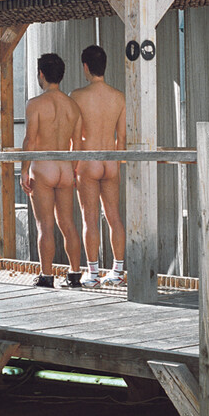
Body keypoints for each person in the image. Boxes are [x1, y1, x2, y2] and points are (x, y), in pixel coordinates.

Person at [20, 53, 83, 289]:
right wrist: (73, 169)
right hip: (65, 167)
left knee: (45, 225)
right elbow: (77, 144)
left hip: (43, 167)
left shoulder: (35, 104)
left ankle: (46, 276)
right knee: (68, 223)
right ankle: (74, 274)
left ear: (41, 74)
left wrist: (24, 170)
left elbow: (30, 140)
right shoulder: (72, 106)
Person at [70, 45, 126, 287]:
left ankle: (93, 274)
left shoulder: (77, 96)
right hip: (111, 160)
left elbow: (75, 137)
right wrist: (117, 165)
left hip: (88, 161)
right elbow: (122, 138)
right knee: (114, 216)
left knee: (90, 219)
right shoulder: (119, 96)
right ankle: (118, 271)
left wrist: (73, 167)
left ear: (85, 67)